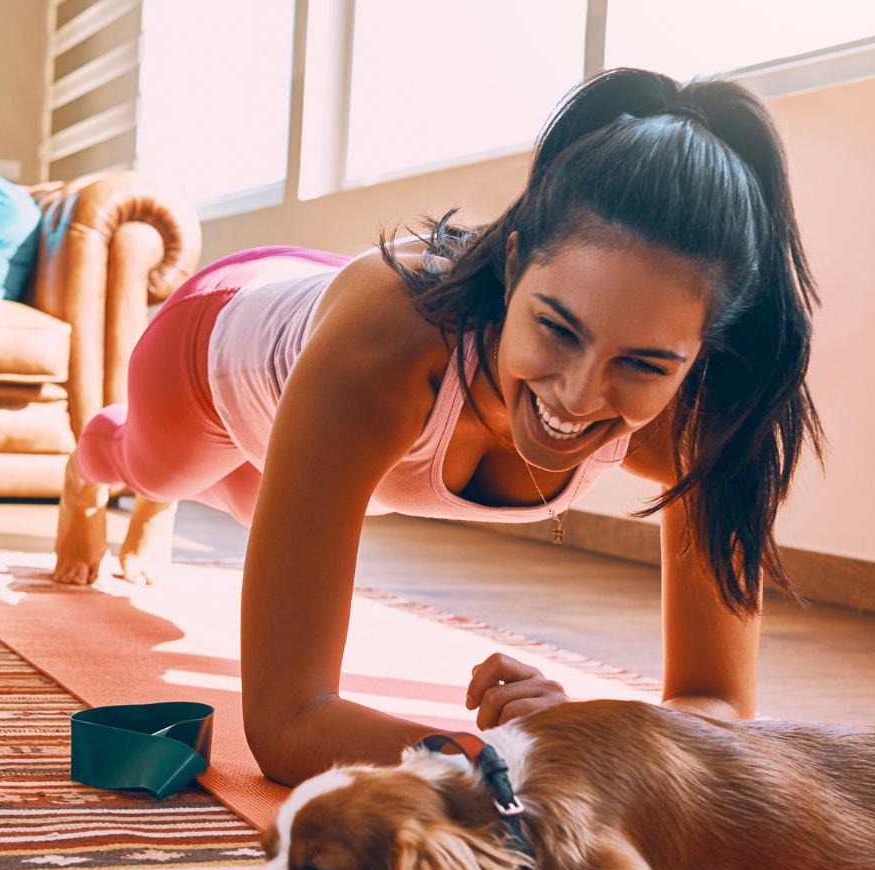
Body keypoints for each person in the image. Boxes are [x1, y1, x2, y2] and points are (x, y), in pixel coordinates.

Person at [54, 69, 822, 784]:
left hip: (346, 401)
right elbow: (286, 727)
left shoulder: (704, 419)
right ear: (514, 263)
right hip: (215, 346)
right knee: (150, 467)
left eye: (646, 365)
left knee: (254, 501)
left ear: (699, 353)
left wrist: (586, 733)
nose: (582, 397)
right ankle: (89, 475)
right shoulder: (383, 355)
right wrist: (510, 761)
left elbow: (718, 709)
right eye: (557, 328)